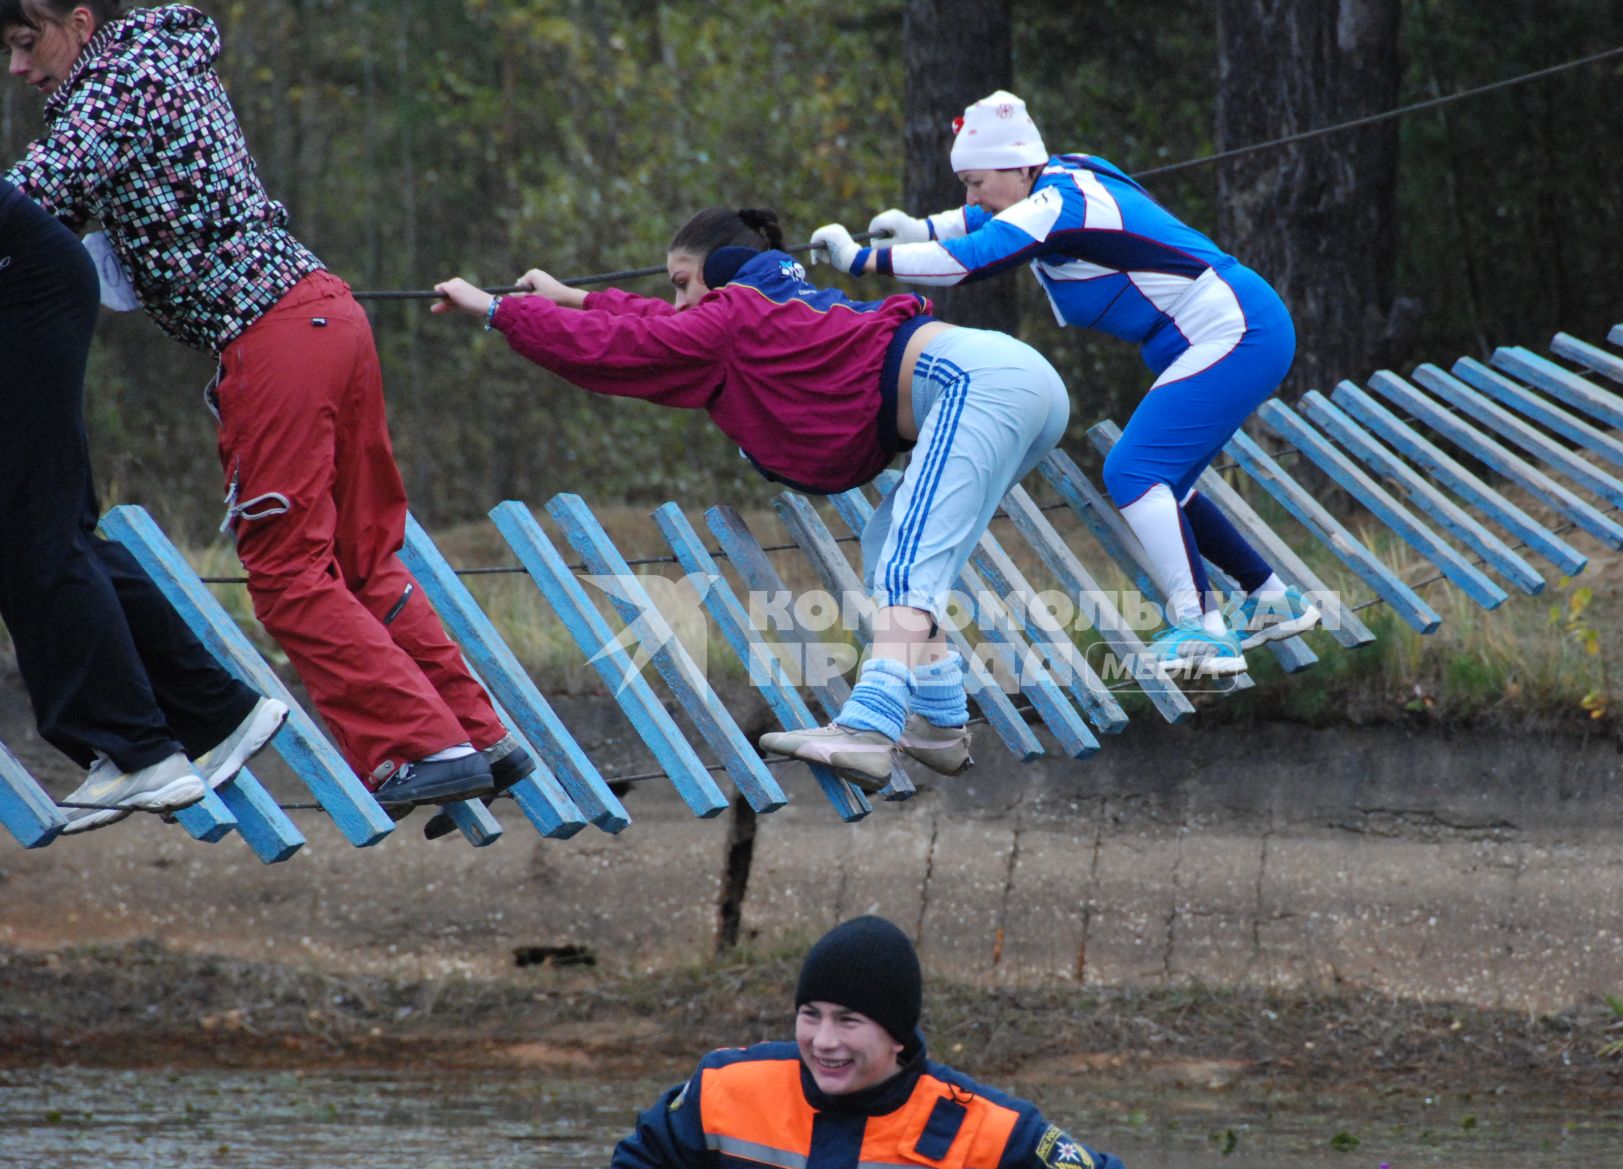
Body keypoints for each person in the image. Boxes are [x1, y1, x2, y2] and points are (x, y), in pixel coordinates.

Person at [2, 0, 534, 814]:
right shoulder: (162, 60)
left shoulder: (116, 79)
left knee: (287, 573)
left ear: (77, 19)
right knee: (364, 561)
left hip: (271, 337)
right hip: (328, 315)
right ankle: (480, 737)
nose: (19, 69)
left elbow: (26, 201)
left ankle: (421, 748)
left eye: (25, 42)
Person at [432, 207, 1072, 792]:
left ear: (718, 273)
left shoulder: (737, 316)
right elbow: (663, 322)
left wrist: (495, 310)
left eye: (683, 281)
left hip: (975, 382)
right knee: (891, 544)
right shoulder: (765, 301)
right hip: (1021, 383)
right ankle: (937, 722)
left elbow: (625, 347)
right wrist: (572, 296)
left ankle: (871, 727)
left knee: (911, 562)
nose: (676, 298)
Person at [808, 89, 1323, 680]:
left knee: (1134, 472)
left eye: (976, 181)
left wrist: (860, 262)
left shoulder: (1058, 202)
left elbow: (972, 258)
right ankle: (1269, 599)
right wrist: (917, 228)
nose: (970, 195)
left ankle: (1203, 630)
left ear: (1021, 165)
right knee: (1166, 482)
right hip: (1233, 328)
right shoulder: (1057, 178)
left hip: (1236, 330)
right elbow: (985, 218)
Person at [579, 914, 1153, 1169]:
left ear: (897, 1034)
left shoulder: (984, 1127)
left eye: (849, 1022)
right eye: (811, 1016)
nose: (824, 1042)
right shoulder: (730, 1087)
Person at [0, 175, 287, 833]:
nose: (17, 66)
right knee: (51, 521)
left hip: (21, 282)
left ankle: (136, 752)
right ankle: (214, 710)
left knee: (28, 526)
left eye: (23, 57)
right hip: (31, 274)